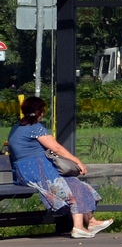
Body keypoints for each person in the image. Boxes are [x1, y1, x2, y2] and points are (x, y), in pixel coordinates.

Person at [7, 96, 111, 239]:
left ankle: (91, 222)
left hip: (27, 172)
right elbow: (56, 148)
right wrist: (78, 162)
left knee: (77, 184)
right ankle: (78, 227)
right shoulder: (36, 128)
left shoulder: (17, 127)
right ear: (40, 112)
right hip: (38, 170)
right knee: (71, 190)